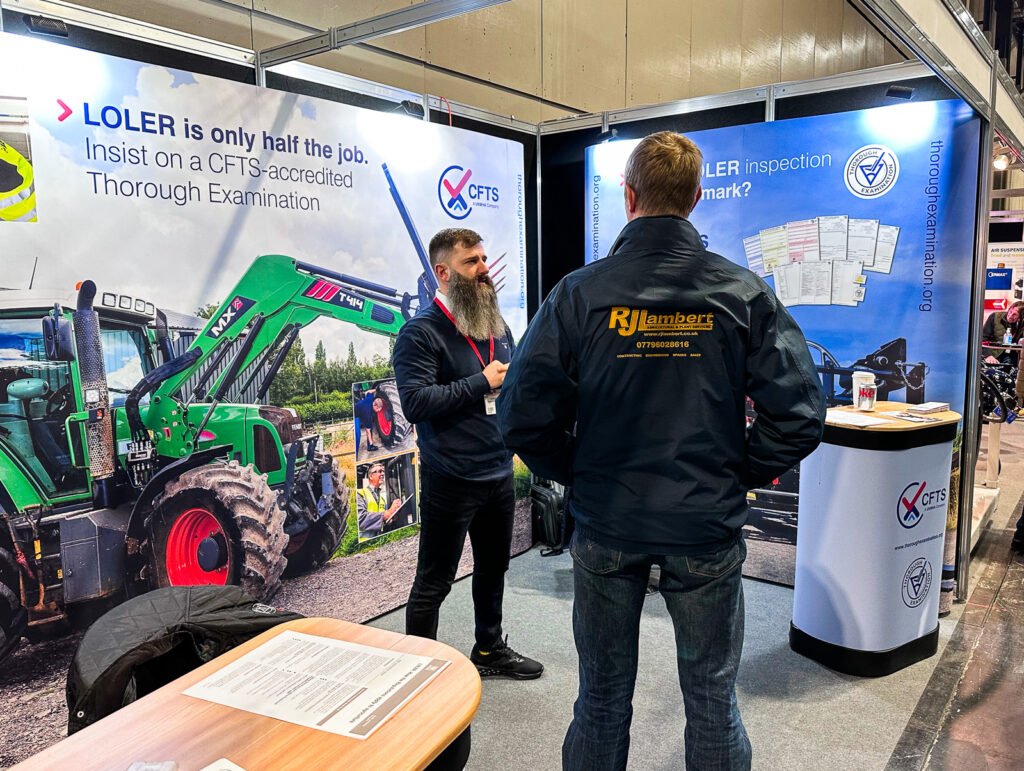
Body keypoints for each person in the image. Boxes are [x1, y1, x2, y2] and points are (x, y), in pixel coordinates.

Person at [499, 131, 826, 770]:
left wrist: (581, 474)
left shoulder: (578, 294)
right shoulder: (742, 293)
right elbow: (800, 416)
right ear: (696, 198)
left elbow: (519, 415)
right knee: (711, 697)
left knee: (600, 697)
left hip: (608, 523)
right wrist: (731, 473)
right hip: (705, 528)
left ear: (628, 196)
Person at [393, 227, 543, 680]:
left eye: (483, 259)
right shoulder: (420, 334)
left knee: (494, 568)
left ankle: (489, 649)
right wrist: (483, 382)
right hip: (450, 477)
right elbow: (416, 403)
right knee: (434, 582)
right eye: (470, 262)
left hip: (496, 472)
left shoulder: (496, 328)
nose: (484, 270)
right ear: (442, 273)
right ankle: (415, 671)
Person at [356, 462, 403, 540]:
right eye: (379, 471)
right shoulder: (360, 494)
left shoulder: (382, 499)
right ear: (371, 476)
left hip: (378, 540)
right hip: (365, 543)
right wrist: (389, 512)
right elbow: (361, 519)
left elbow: (382, 520)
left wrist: (392, 516)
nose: (383, 474)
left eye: (383, 471)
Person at [353, 389, 384, 454]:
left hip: (360, 408)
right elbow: (368, 431)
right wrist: (371, 442)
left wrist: (376, 389)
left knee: (370, 426)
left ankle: (369, 447)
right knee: (357, 434)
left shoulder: (370, 398)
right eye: (378, 409)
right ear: (375, 405)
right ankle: (356, 453)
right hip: (355, 415)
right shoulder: (368, 414)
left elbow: (368, 392)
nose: (379, 411)